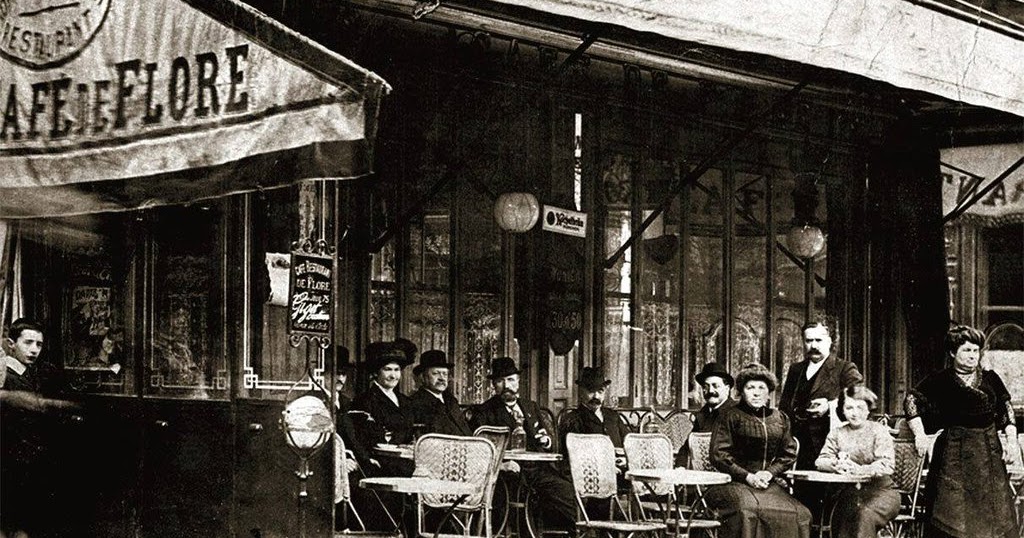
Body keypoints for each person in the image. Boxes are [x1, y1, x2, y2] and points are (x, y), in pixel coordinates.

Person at [904, 324, 1020, 538]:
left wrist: (1012, 443)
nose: (973, 356)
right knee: (951, 512)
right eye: (967, 350)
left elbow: (1006, 411)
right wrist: (919, 434)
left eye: (976, 350)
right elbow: (911, 400)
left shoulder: (991, 379)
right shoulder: (940, 380)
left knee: (991, 514)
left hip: (988, 453)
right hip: (952, 453)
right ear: (952, 353)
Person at [705, 362, 812, 538]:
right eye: (750, 387)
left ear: (769, 392)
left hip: (767, 482)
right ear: (741, 391)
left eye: (761, 388)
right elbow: (719, 454)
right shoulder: (730, 415)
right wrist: (748, 476)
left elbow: (788, 453)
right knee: (748, 511)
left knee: (801, 514)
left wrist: (769, 473)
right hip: (734, 482)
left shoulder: (780, 418)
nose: (756, 392)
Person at [470, 357, 577, 533]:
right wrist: (501, 465)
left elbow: (547, 438)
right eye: (500, 381)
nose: (506, 385)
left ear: (518, 382)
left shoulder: (531, 407)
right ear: (494, 385)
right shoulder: (484, 412)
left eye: (511, 380)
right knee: (523, 500)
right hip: (508, 473)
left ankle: (581, 532)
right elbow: (479, 449)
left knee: (565, 490)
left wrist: (546, 440)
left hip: (537, 469)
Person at [1, 318, 79, 538]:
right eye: (28, 343)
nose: (34, 350)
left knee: (24, 521)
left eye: (39, 344)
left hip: (30, 460)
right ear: (11, 343)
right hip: (10, 460)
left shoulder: (35, 373)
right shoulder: (5, 376)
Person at [779, 314, 864, 470]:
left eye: (819, 340)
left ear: (830, 341)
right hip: (796, 444)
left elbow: (859, 400)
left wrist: (830, 406)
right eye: (809, 341)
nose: (813, 346)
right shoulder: (796, 369)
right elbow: (784, 407)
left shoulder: (844, 368)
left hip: (827, 445)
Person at [814, 385, 899, 538]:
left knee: (863, 514)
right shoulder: (837, 433)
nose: (855, 413)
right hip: (849, 493)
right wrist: (835, 465)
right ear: (842, 410)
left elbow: (887, 464)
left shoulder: (878, 430)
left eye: (860, 407)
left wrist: (859, 469)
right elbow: (821, 461)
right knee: (843, 515)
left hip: (881, 492)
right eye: (849, 408)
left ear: (868, 409)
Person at [678, 362, 737, 466]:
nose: (710, 391)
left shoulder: (737, 413)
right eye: (706, 386)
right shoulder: (703, 414)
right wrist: (680, 467)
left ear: (727, 389)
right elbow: (688, 445)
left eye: (715, 386)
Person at [408, 350, 472, 436]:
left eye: (445, 374)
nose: (442, 378)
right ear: (423, 377)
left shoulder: (452, 401)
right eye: (436, 373)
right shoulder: (415, 403)